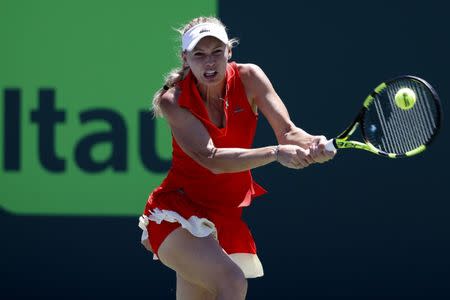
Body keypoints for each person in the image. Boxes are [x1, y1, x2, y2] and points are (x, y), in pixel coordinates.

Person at [138, 16, 335, 300]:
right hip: (177, 212)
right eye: (199, 55)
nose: (209, 63)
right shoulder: (174, 100)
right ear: (185, 58)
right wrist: (276, 153)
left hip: (224, 216)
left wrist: (313, 143)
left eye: (217, 52)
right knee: (232, 281)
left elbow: (288, 132)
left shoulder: (250, 77)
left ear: (229, 52)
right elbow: (212, 158)